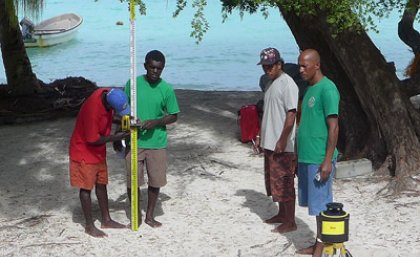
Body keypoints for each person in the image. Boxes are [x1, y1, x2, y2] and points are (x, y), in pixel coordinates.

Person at [122, 50, 180, 228]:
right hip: (135, 140)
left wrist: (156, 122)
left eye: (159, 69)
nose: (155, 72)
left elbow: (173, 115)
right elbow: (123, 110)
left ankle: (149, 215)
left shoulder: (166, 89)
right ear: (145, 65)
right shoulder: (132, 84)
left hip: (156, 143)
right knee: (133, 181)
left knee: (155, 181)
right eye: (152, 68)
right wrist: (120, 134)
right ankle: (135, 214)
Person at [69, 88, 131, 238]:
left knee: (102, 183)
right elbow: (93, 139)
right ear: (110, 105)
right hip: (83, 151)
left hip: (98, 152)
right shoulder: (92, 110)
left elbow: (111, 116)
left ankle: (106, 220)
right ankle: (89, 226)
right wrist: (116, 138)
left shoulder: (108, 94)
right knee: (86, 188)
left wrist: (127, 120)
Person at [295, 49, 340, 256]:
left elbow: (334, 127)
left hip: (319, 157)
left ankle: (321, 248)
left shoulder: (327, 89)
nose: (300, 69)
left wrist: (327, 161)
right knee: (314, 205)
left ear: (317, 65)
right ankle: (318, 243)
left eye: (305, 65)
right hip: (306, 156)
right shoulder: (310, 89)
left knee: (322, 204)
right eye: (299, 65)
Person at [254, 47, 299, 233]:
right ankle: (281, 214)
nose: (267, 70)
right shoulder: (270, 83)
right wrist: (260, 137)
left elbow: (291, 115)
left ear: (279, 64)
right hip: (270, 142)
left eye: (270, 66)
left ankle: (290, 221)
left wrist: (282, 140)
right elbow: (269, 114)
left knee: (285, 181)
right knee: (275, 182)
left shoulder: (287, 84)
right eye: (265, 67)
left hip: (282, 144)